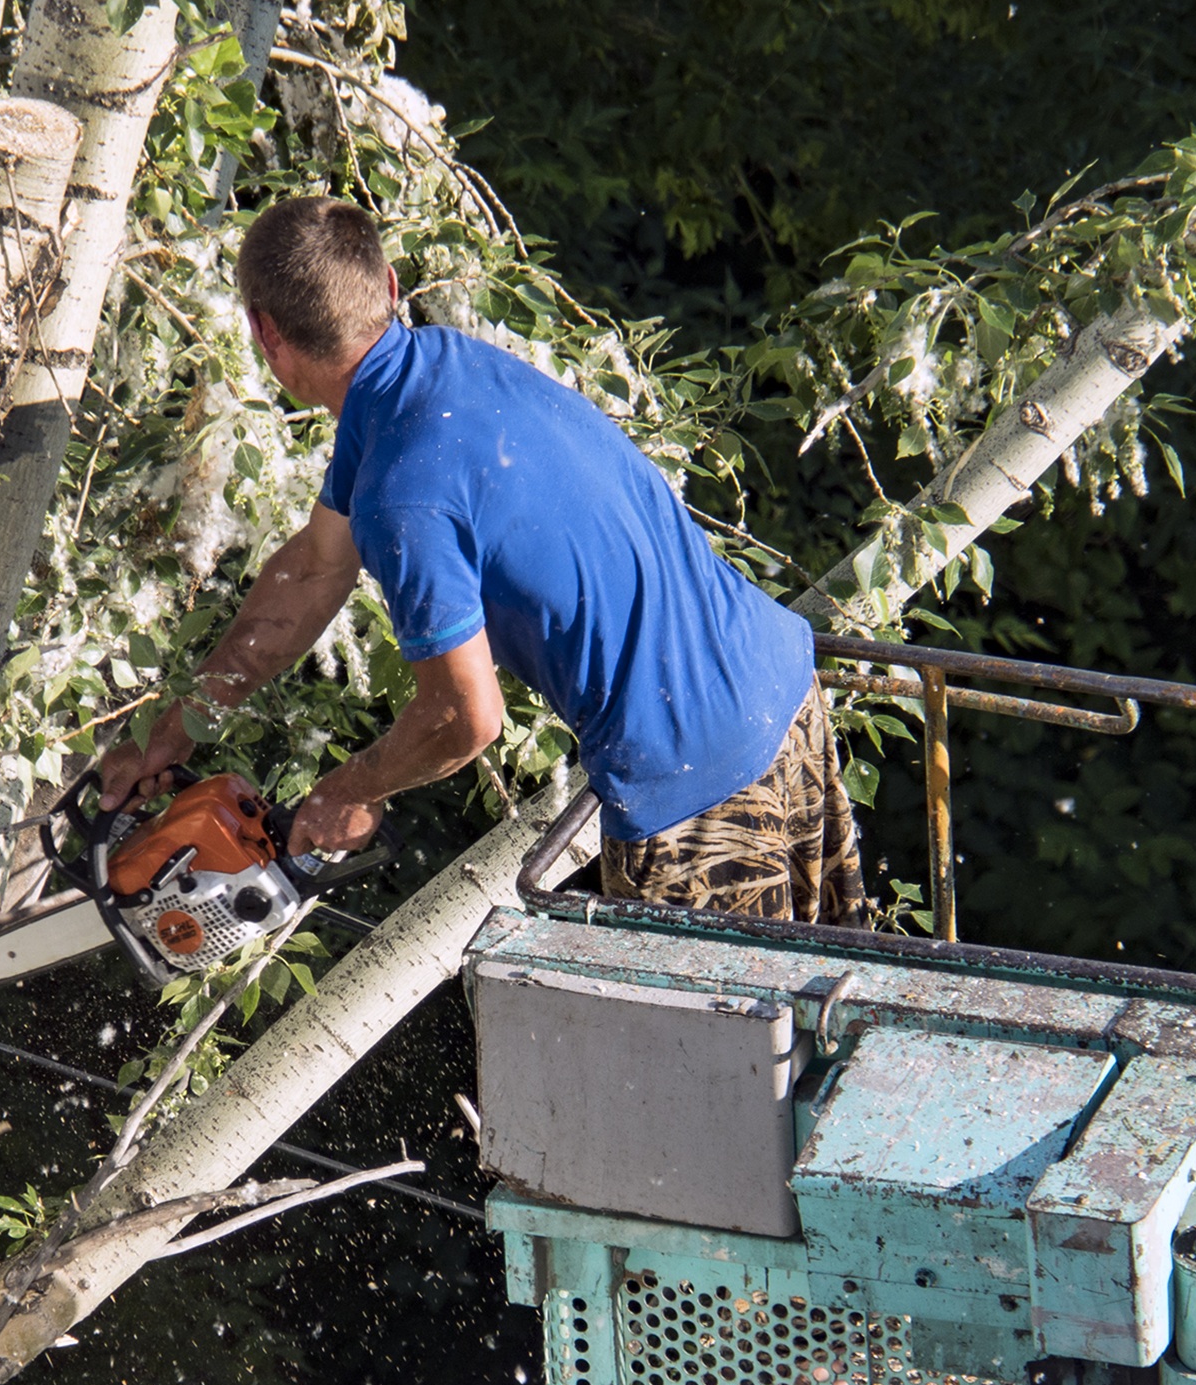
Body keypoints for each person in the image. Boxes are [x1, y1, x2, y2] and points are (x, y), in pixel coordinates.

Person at [96, 196, 866, 925]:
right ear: (390, 288)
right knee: (839, 1018)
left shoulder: (404, 493)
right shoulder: (439, 369)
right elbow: (312, 572)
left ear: (266, 333)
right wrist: (177, 732)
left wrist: (355, 788)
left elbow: (465, 718)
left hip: (697, 787)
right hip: (783, 689)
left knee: (712, 1059)